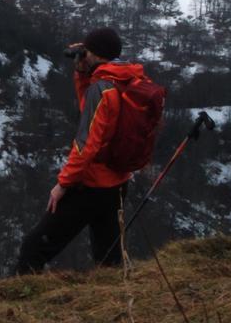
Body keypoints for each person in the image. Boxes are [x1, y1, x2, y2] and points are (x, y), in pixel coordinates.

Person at [16, 26, 151, 275]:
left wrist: (63, 184)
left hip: (91, 185)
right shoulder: (129, 79)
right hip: (118, 183)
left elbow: (86, 143)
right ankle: (117, 301)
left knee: (34, 247)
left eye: (85, 52)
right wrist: (81, 74)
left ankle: (13, 304)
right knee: (108, 258)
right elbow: (91, 113)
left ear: (95, 55)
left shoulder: (102, 89)